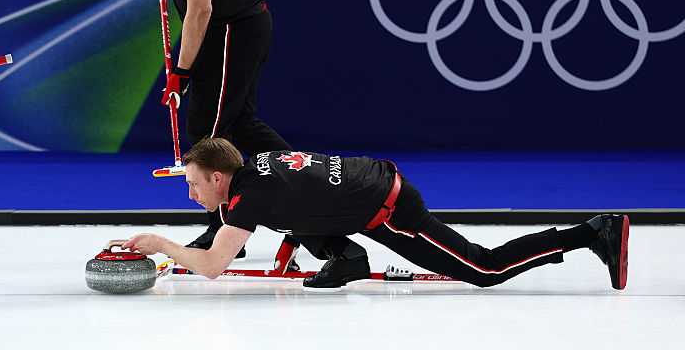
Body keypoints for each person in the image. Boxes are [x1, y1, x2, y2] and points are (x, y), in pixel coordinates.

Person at [124, 0, 343, 261]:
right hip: (239, 24)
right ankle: (310, 193)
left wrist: (180, 73)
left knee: (207, 133)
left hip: (229, 32)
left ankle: (222, 234)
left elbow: (200, 10)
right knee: (240, 126)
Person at [124, 138, 629, 291]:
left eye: (191, 184)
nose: (189, 194)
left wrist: (163, 246)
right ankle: (348, 257)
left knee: (484, 269)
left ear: (217, 178)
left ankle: (589, 233)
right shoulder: (250, 168)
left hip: (388, 207)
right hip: (361, 186)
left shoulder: (250, 197)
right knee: (296, 219)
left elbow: (214, 265)